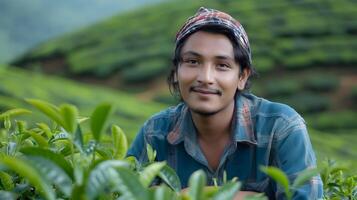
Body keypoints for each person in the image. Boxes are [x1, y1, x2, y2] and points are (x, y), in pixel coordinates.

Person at [127, 7, 323, 199]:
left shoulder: (280, 128)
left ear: (242, 77)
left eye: (222, 65)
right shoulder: (155, 132)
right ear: (177, 70)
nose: (205, 78)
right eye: (192, 62)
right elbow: (123, 194)